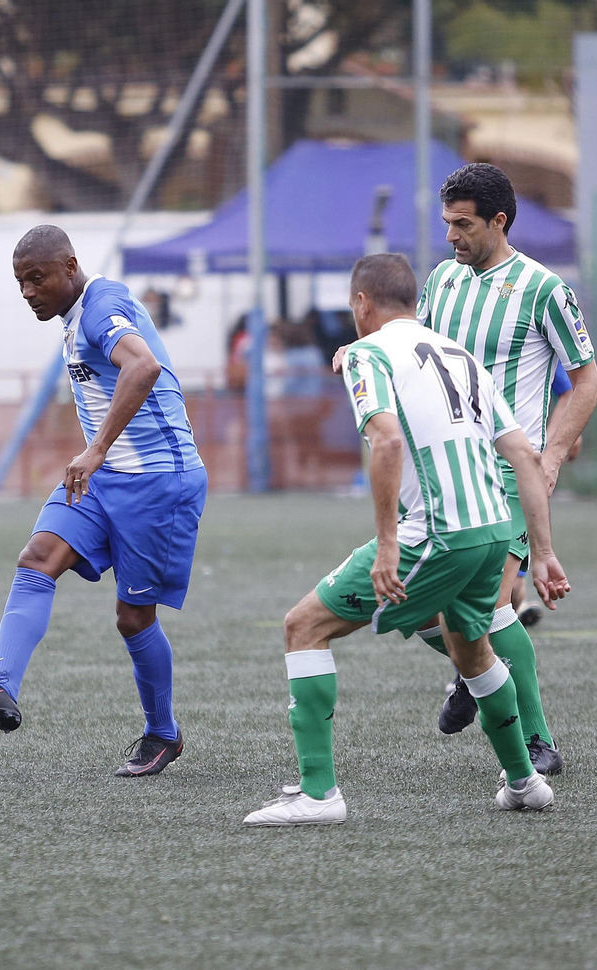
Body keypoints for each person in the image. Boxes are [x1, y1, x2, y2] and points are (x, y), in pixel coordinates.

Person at [244, 254, 570, 827]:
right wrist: (541, 552)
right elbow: (523, 454)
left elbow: (388, 443)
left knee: (304, 626)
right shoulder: (461, 355)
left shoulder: (368, 353)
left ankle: (319, 796)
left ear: (361, 304)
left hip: (436, 534)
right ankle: (524, 782)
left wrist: (388, 544)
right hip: (493, 528)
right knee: (469, 645)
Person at [0, 225, 208, 777]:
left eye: (36, 278)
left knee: (133, 618)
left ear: (70, 266)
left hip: (159, 482)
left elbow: (143, 366)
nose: (27, 292)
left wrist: (96, 448)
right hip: (104, 479)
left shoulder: (100, 306)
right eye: (19, 283)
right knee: (38, 557)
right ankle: (2, 689)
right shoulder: (73, 319)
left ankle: (162, 733)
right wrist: (98, 456)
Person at [414, 163, 597, 774]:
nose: (451, 237)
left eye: (463, 225)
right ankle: (475, 668)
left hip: (503, 477)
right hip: (440, 474)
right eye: (446, 223)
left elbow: (586, 382)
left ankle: (538, 742)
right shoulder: (441, 281)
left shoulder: (544, 289)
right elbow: (416, 356)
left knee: (489, 607)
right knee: (419, 609)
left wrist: (547, 457)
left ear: (499, 221)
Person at [514, 363, 578, 627]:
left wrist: (549, 446)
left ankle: (514, 603)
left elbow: (572, 390)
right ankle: (516, 604)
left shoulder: (533, 331)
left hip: (516, 465)